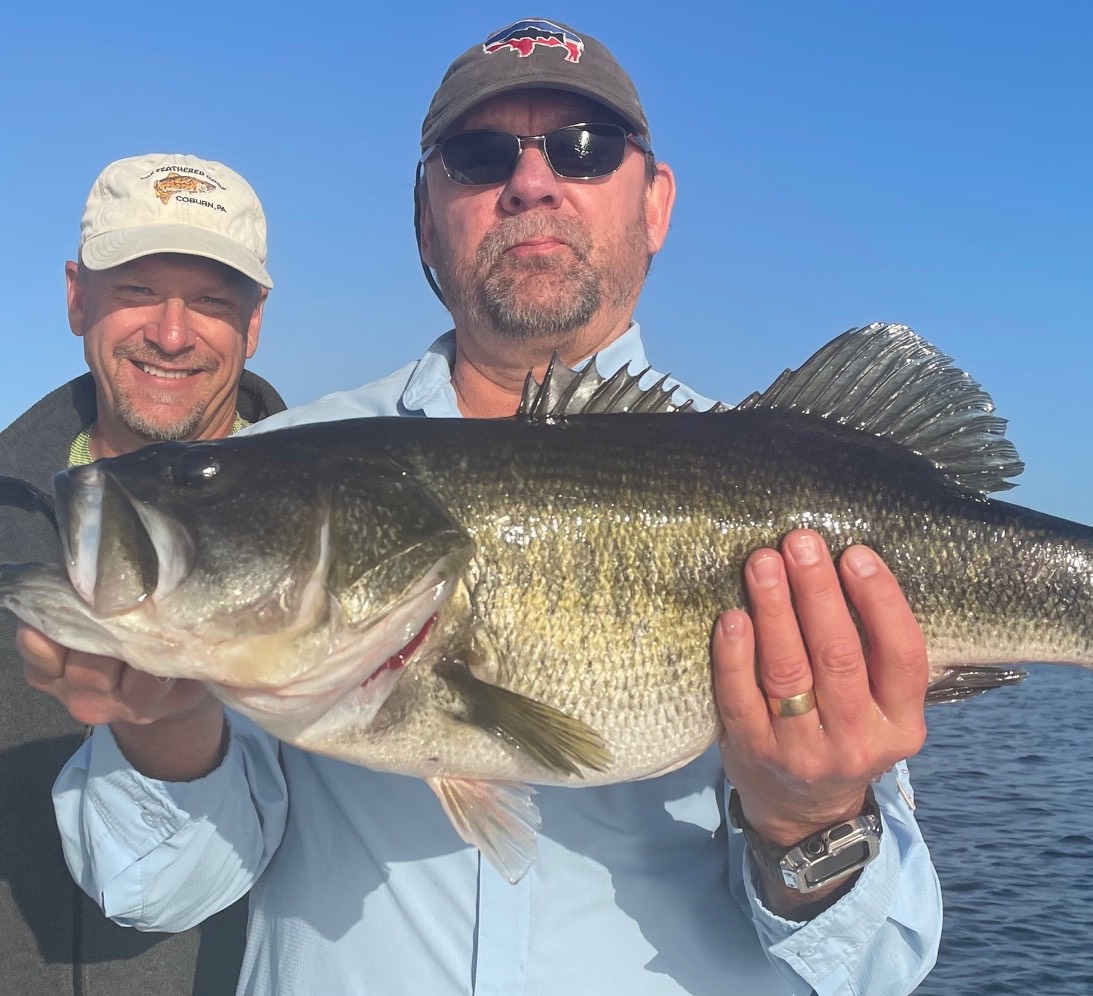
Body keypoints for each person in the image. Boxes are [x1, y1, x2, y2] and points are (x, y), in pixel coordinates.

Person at [22, 22, 942, 995]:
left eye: (585, 148)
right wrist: (164, 726)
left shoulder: (792, 489)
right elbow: (152, 892)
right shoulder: (275, 467)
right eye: (479, 154)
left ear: (657, 202)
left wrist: (813, 820)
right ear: (424, 217)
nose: (533, 182)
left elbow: (877, 966)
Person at [0, 153, 286, 995]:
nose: (170, 331)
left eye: (210, 301)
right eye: (134, 291)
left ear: (255, 322)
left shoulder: (343, 526)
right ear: (75, 296)